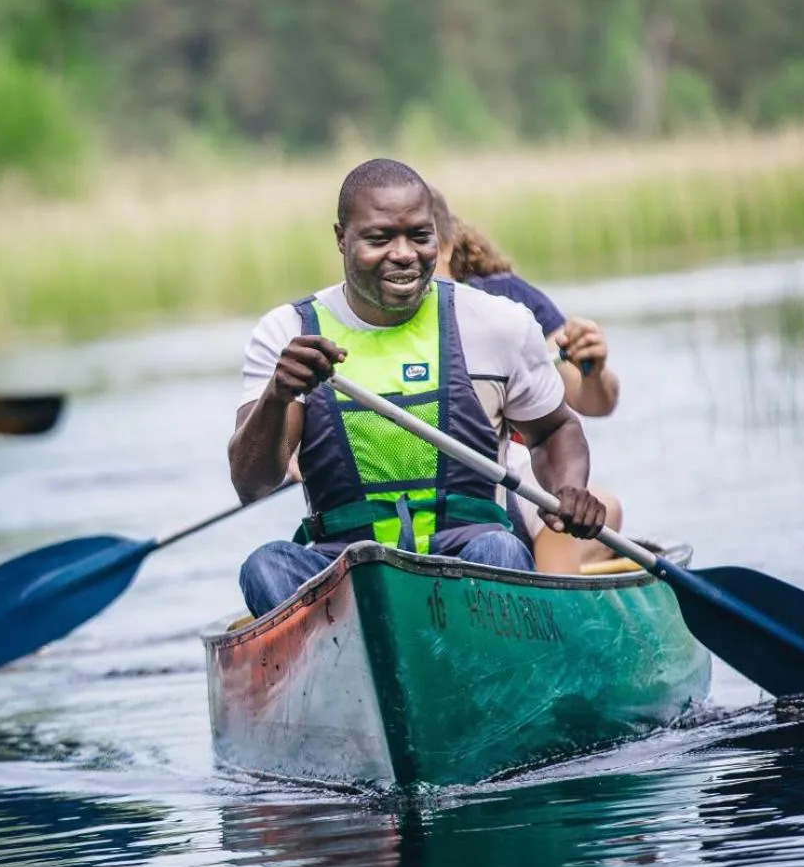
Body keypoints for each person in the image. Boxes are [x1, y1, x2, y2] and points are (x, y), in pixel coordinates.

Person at [230, 158, 607, 618]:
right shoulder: (285, 332)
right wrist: (278, 395)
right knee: (264, 567)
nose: (404, 253)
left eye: (420, 236)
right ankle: (346, 664)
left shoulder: (497, 323)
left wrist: (568, 489)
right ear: (341, 238)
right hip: (344, 572)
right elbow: (252, 484)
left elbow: (554, 431)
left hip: (468, 558)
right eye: (380, 238)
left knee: (502, 551)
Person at [428, 187, 624, 573]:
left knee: (605, 509)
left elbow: (594, 401)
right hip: (445, 489)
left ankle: (542, 583)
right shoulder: (371, 323)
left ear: (448, 244)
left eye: (421, 241)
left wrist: (594, 369)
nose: (404, 260)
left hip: (519, 472)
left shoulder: (507, 303)